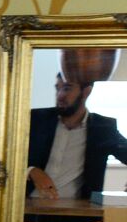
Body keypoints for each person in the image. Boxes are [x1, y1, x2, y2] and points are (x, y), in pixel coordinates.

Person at [27, 50, 127, 201]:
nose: (60, 95)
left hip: (77, 216)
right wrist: (31, 171)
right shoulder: (35, 119)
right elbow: (4, 156)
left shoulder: (103, 128)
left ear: (86, 91)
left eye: (67, 88)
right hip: (27, 211)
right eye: (57, 88)